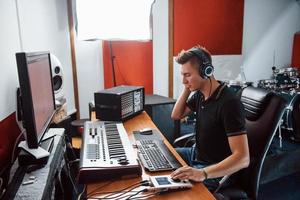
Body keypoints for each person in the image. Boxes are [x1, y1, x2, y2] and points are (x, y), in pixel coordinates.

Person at [170, 45, 250, 191]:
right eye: (183, 75)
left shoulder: (229, 103)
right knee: (164, 157)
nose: (183, 80)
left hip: (214, 168)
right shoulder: (201, 94)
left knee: (179, 192)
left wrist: (203, 173)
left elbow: (243, 158)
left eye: (187, 75)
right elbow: (176, 115)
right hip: (197, 154)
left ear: (206, 72)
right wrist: (188, 86)